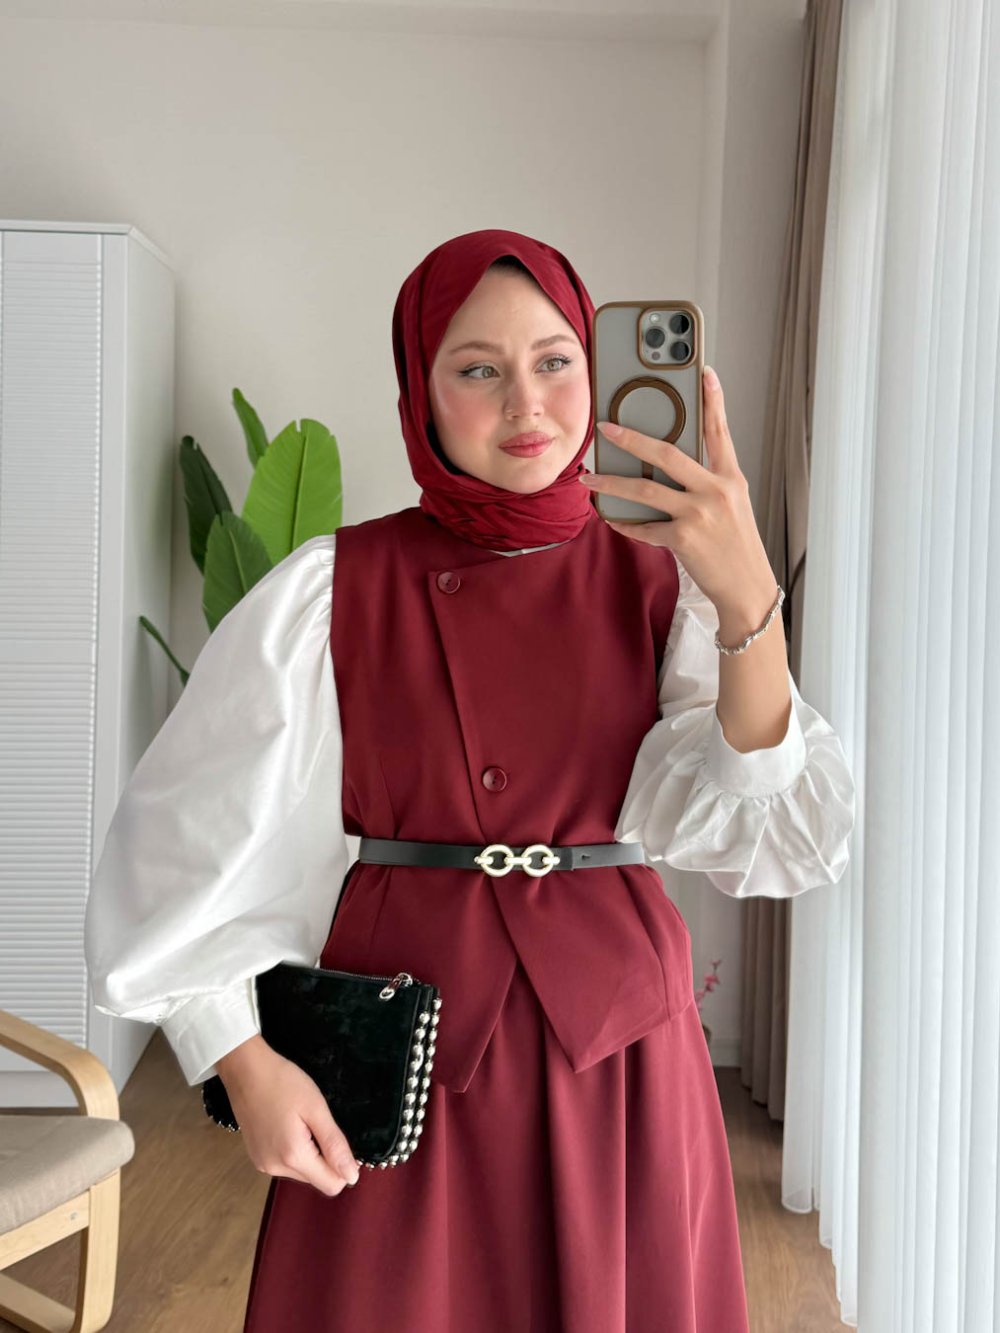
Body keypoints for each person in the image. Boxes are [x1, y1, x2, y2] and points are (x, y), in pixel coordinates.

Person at [84, 228, 856, 1331]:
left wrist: (746, 598)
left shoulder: (666, 579)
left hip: (621, 1057)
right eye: (478, 368)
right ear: (421, 391)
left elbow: (769, 830)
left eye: (555, 360)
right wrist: (239, 1059)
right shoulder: (330, 589)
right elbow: (181, 844)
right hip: (400, 1054)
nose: (525, 402)